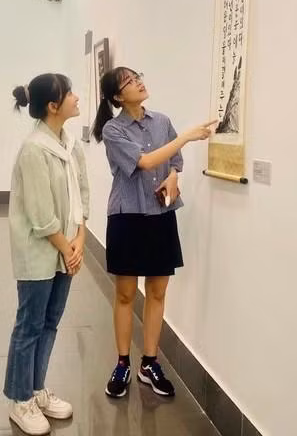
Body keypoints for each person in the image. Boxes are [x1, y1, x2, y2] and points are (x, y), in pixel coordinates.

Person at [92, 67, 215, 398]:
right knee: (125, 294)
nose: (139, 82)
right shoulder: (113, 129)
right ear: (118, 96)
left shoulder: (161, 121)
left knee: (158, 292)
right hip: (127, 216)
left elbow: (174, 161)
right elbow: (144, 162)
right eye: (130, 82)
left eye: (138, 76)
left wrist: (174, 176)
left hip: (161, 213)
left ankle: (149, 362)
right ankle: (122, 364)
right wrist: (186, 137)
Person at [4, 73, 89, 435]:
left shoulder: (71, 146)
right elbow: (40, 216)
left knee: (50, 323)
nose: (76, 98)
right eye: (69, 94)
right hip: (41, 251)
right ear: (53, 106)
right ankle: (19, 399)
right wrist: (69, 248)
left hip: (67, 248)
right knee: (30, 325)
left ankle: (37, 390)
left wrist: (81, 239)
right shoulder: (34, 149)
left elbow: (82, 195)